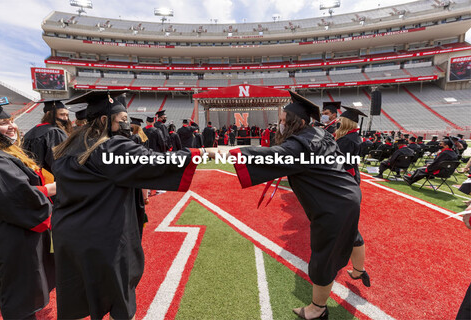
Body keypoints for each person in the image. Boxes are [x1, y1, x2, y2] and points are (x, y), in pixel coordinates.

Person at [52, 91, 214, 320]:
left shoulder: (70, 145)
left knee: (78, 294)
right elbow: (158, 162)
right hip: (104, 234)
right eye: (122, 119)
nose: (126, 124)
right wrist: (200, 153)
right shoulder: (110, 148)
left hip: (69, 234)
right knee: (120, 296)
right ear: (104, 120)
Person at [221, 91, 361, 319]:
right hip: (346, 195)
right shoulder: (319, 133)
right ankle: (357, 271)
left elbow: (276, 155)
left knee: (323, 256)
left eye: (285, 121)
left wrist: (229, 153)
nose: (281, 125)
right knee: (340, 244)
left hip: (334, 204)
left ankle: (318, 309)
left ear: (299, 122)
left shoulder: (301, 144)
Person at [0, 100, 56, 319]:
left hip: (5, 236)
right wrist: (50, 190)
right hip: (11, 241)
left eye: (11, 121)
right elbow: (20, 199)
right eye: (1, 123)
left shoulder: (4, 153)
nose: (11, 126)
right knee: (20, 303)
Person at [334, 106, 371, 287]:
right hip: (351, 178)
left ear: (346, 122)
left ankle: (359, 269)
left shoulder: (347, 139)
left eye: (340, 120)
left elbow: (341, 162)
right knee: (347, 225)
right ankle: (358, 270)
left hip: (345, 182)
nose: (338, 122)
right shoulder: (354, 137)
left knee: (348, 227)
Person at [22, 99, 69, 173]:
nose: (65, 118)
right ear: (49, 114)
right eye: (62, 114)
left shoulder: (32, 131)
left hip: (33, 174)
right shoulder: (54, 132)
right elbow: (58, 160)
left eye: (67, 115)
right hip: (50, 177)